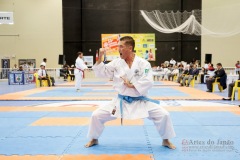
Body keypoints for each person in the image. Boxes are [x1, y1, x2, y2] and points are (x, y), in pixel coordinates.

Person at [85, 36, 176, 149]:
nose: (118, 48)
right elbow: (102, 72)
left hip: (140, 100)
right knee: (96, 115)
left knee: (164, 115)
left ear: (130, 48)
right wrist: (100, 58)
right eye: (118, 46)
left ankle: (166, 140)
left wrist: (132, 85)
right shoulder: (116, 63)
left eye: (121, 46)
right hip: (121, 101)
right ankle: (94, 138)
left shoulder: (143, 64)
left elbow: (148, 80)